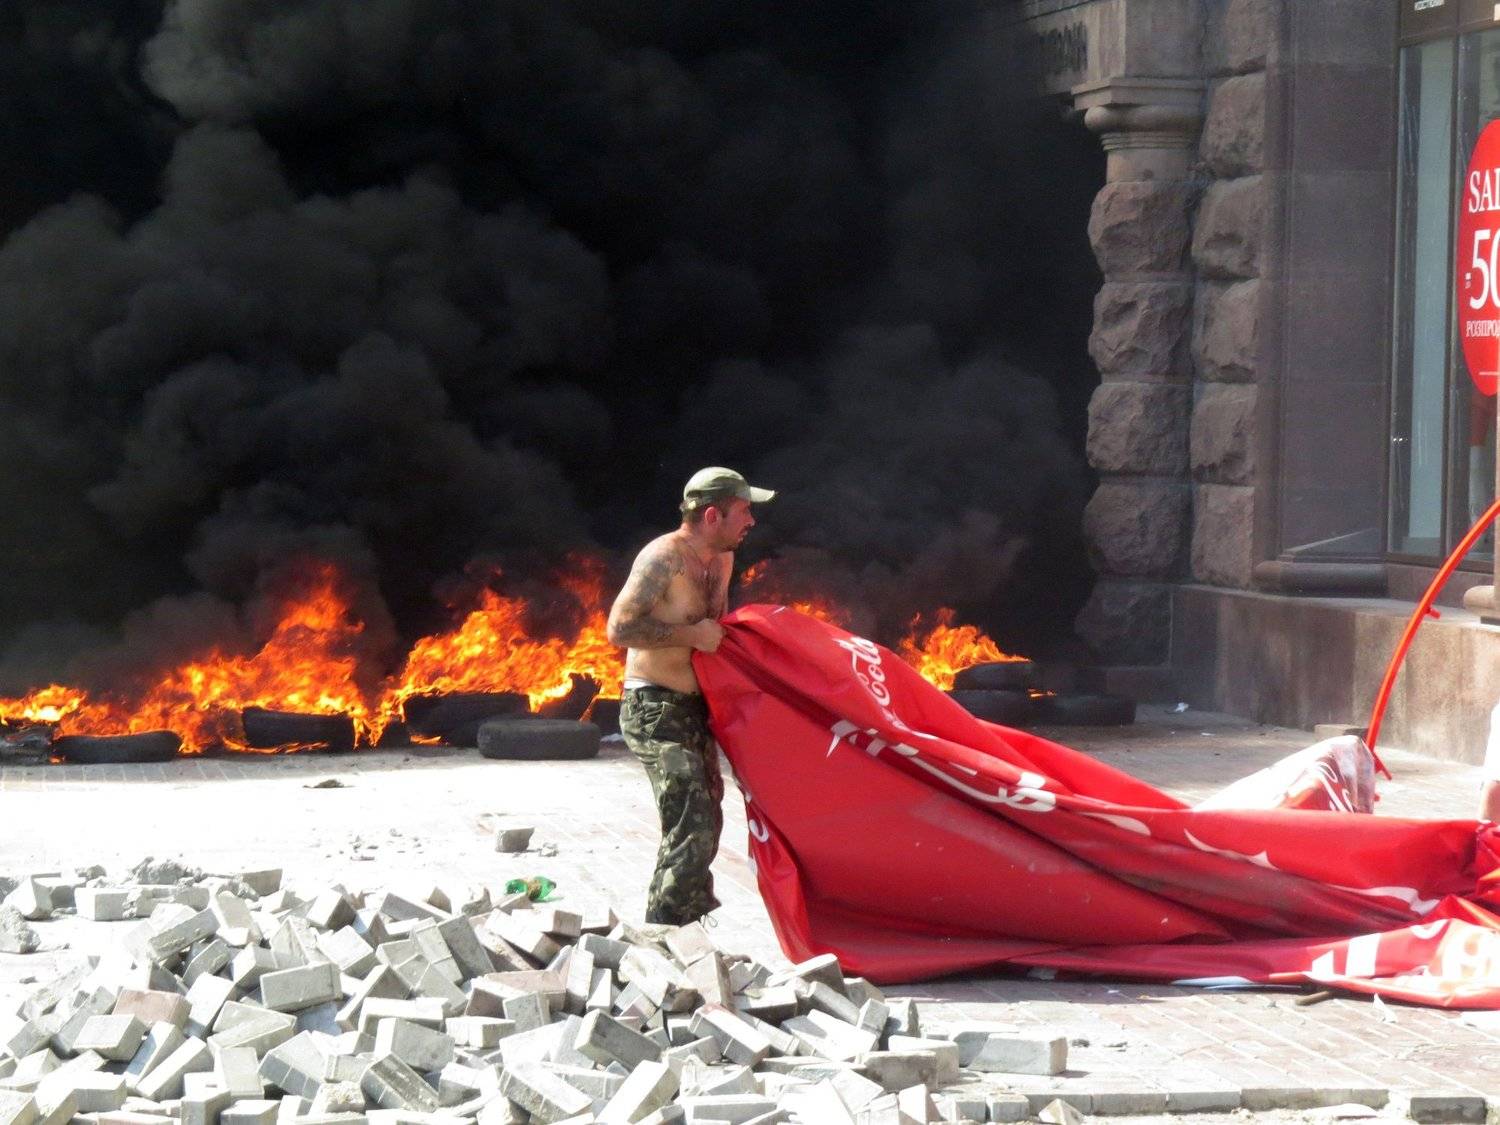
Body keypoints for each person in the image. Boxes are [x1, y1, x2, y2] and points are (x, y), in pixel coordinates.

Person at [606, 467, 775, 924]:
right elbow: (619, 629)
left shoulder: (722, 560)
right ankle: (662, 933)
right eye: (744, 510)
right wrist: (690, 635)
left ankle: (685, 923)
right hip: (653, 706)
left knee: (707, 817)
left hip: (695, 707)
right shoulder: (663, 557)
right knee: (692, 817)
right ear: (713, 515)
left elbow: (716, 631)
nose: (751, 521)